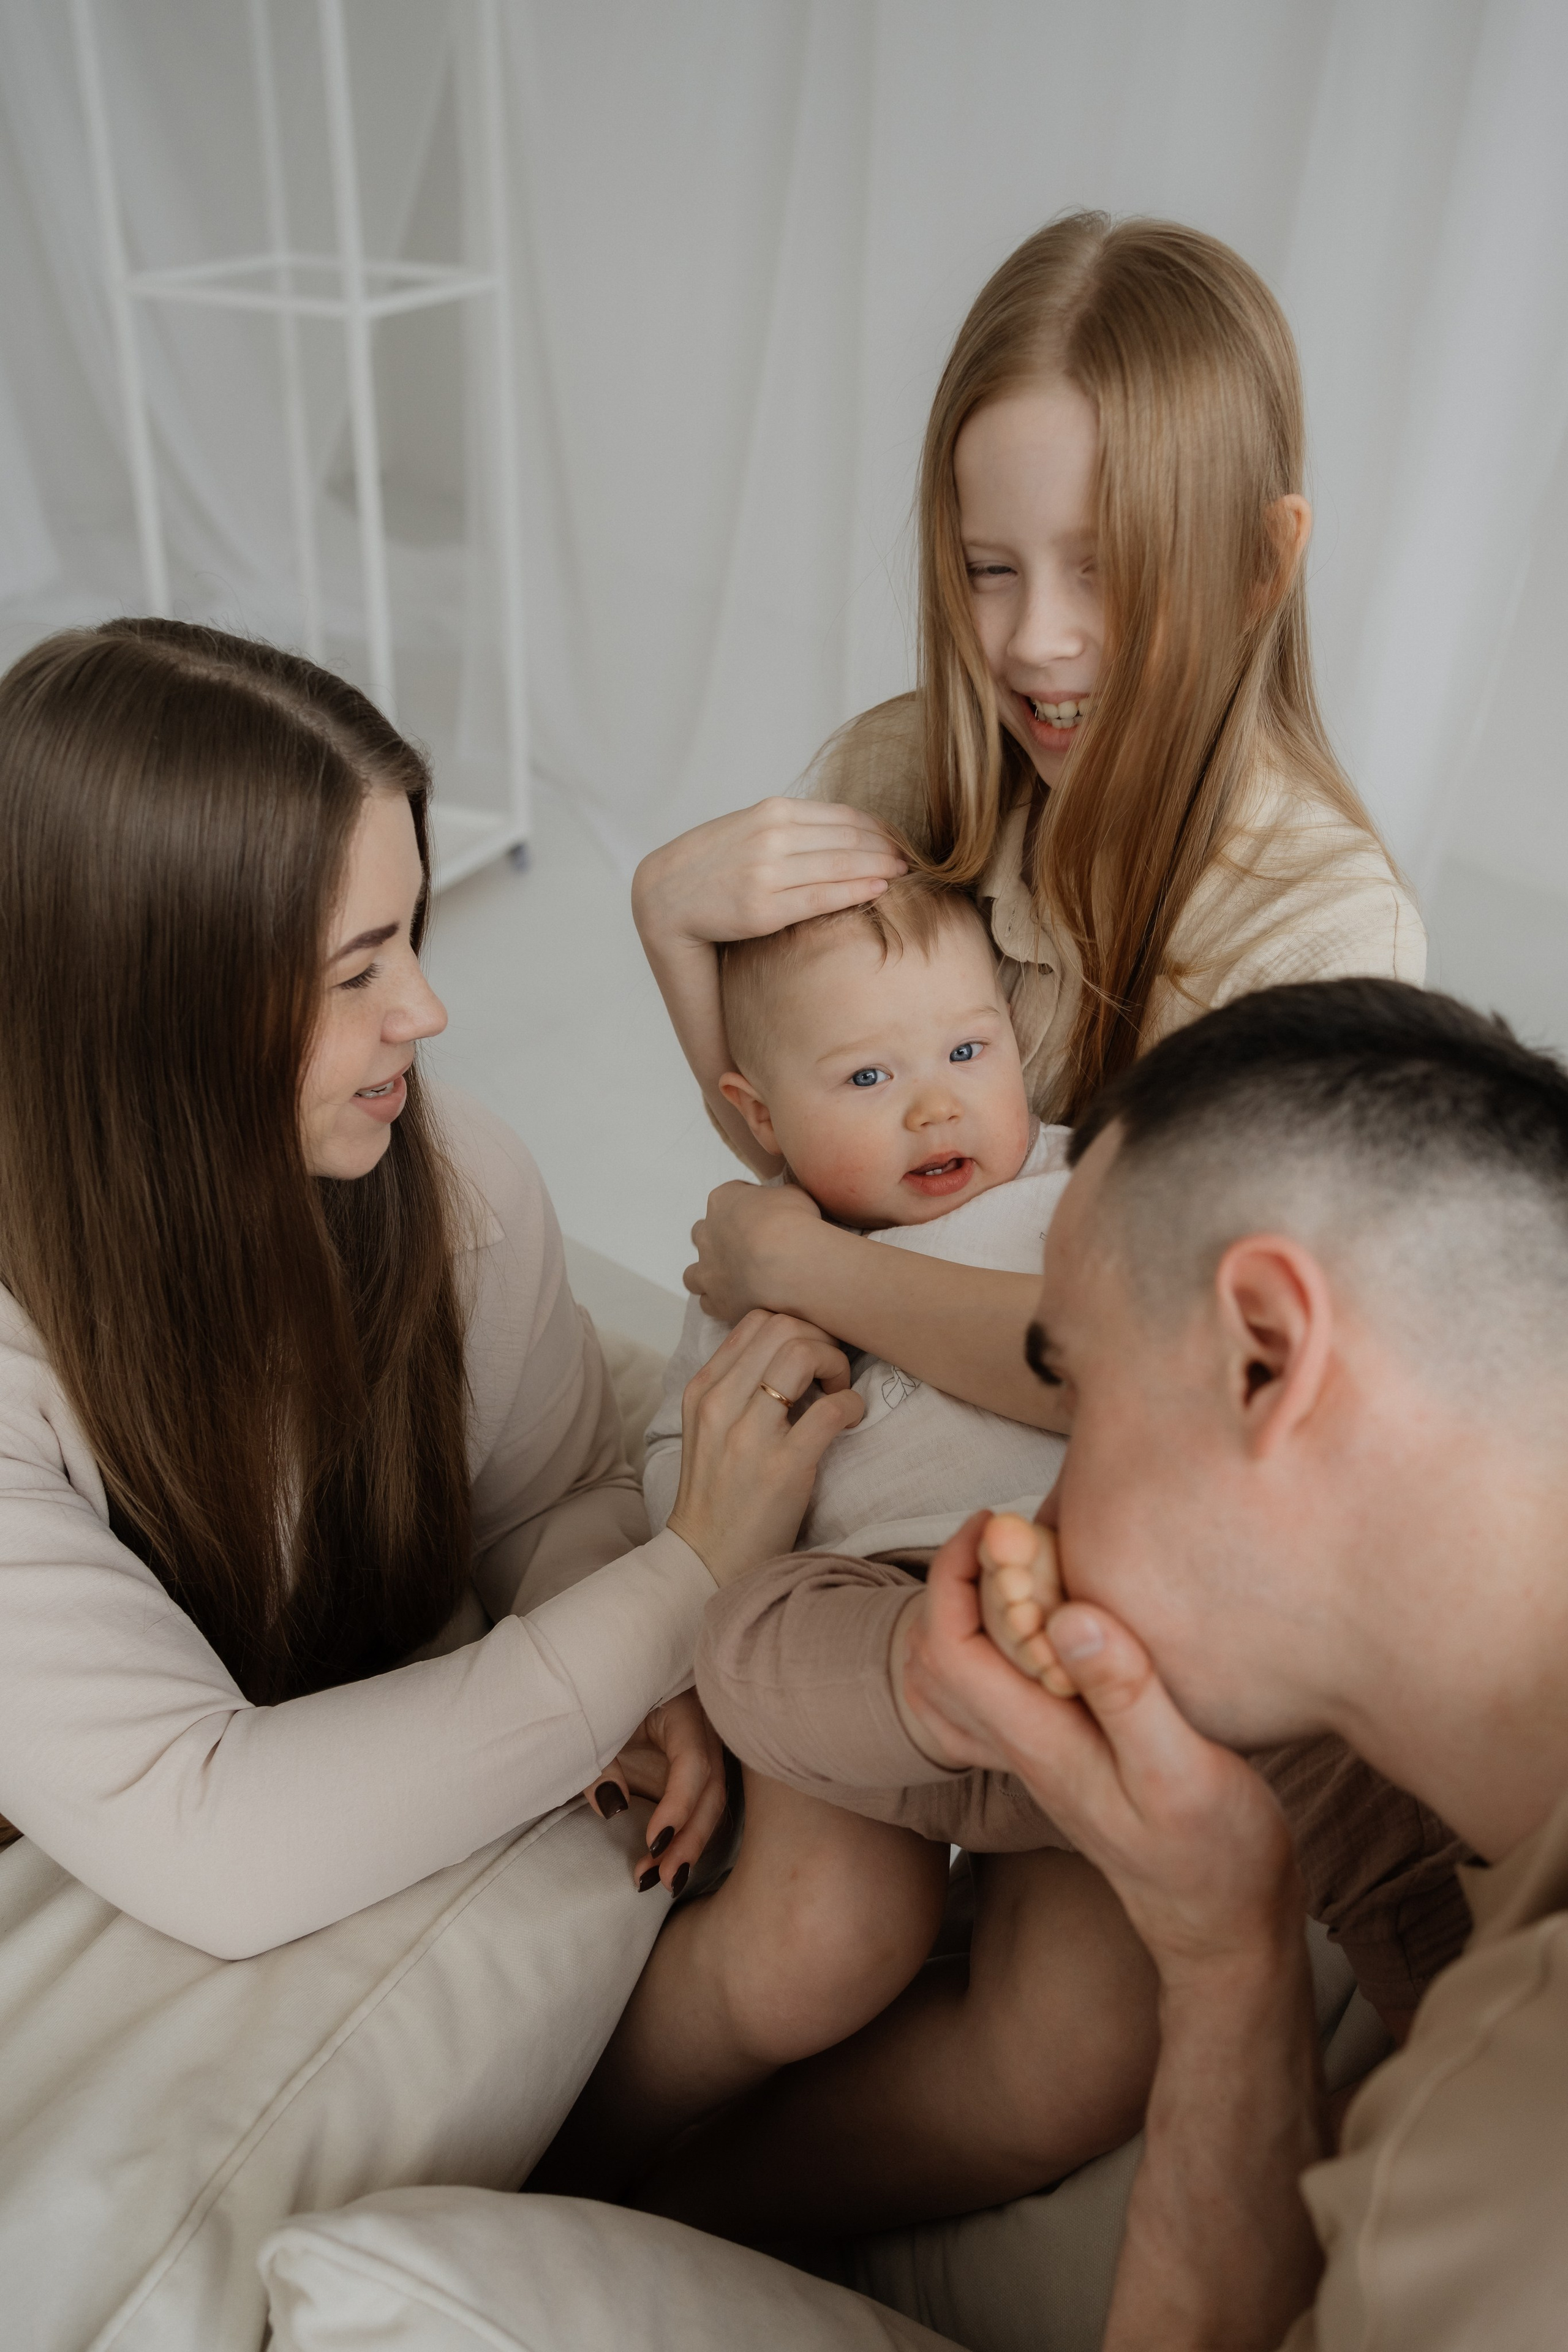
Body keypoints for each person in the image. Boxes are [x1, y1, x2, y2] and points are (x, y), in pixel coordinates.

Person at [467, 978, 1568, 2349]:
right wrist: (1227, 1955)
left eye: (1079, 1393)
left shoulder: (1505, 2158)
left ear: (1263, 1357)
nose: (1043, 1520)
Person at [0, 617, 864, 1955]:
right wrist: (680, 1586)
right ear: (159, 1021)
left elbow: (554, 1494)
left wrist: (629, 1678)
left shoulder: (453, 1177)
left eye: (412, 937)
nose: (426, 1010)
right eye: (358, 972)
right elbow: (216, 1843)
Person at [631, 211, 1422, 1442]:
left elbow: (1164, 1372)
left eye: (1102, 568)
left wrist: (800, 1274)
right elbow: (813, 1137)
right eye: (988, 569)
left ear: (1257, 569)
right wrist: (672, 929)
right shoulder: (901, 770)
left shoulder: (1323, 927)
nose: (1031, 640)